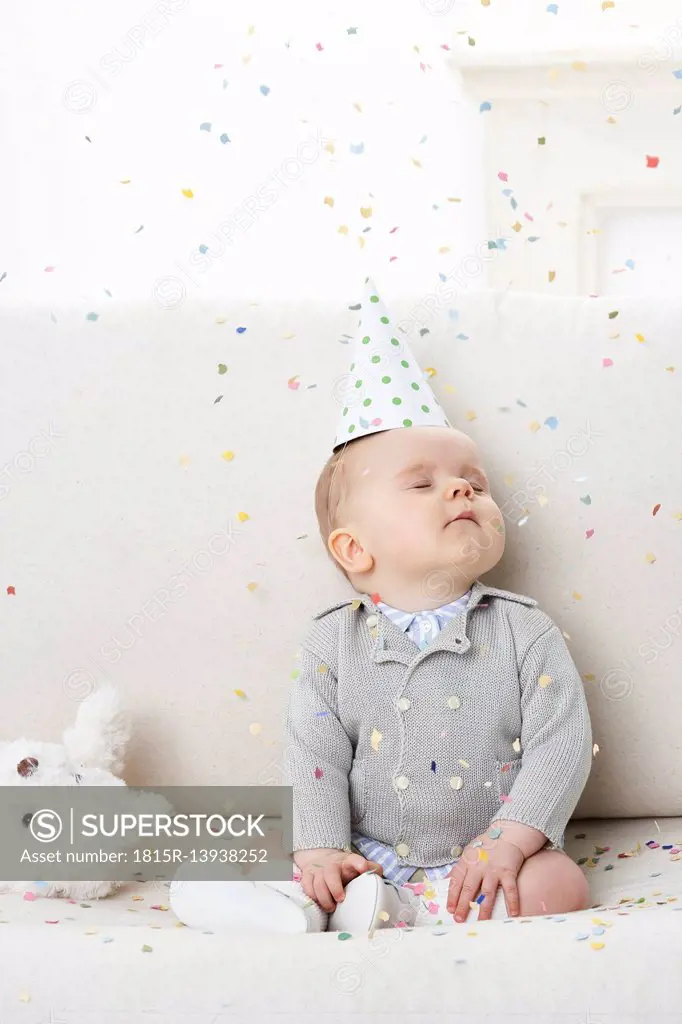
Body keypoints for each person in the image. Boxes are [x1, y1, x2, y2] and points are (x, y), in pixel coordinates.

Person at [170, 279, 593, 935]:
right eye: (422, 484)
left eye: (474, 484)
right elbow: (313, 755)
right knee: (239, 870)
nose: (460, 489)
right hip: (363, 855)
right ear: (354, 548)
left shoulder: (523, 629)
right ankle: (331, 903)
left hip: (484, 858)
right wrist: (319, 850)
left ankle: (414, 912)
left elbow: (559, 745)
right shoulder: (331, 645)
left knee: (559, 883)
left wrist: (511, 838)